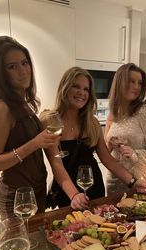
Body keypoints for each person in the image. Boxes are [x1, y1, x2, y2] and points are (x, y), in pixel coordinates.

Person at [0, 36, 88, 217]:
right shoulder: (0, 107)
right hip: (15, 198)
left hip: (36, 193)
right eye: (12, 67)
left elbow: (54, 161)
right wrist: (34, 143)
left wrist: (74, 194)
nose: (23, 71)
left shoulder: (25, 104)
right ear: (1, 73)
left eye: (25, 63)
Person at [40, 66, 139, 208]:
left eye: (86, 89)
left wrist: (134, 182)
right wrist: (74, 195)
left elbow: (107, 159)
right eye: (76, 86)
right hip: (67, 189)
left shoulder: (92, 122)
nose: (82, 93)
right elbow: (56, 164)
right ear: (65, 87)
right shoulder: (50, 121)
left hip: (93, 185)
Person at [104, 63, 146, 194]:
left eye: (140, 83)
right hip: (113, 180)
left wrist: (135, 154)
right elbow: (105, 151)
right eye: (131, 81)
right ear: (119, 82)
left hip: (138, 182)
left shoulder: (145, 111)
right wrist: (111, 144)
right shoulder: (114, 113)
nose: (136, 87)